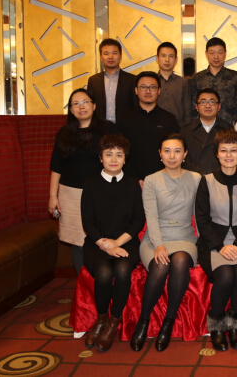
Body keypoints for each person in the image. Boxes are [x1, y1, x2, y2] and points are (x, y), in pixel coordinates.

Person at [130, 133, 201, 352]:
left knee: (180, 261)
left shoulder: (196, 178)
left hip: (184, 237)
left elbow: (199, 214)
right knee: (161, 265)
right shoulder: (151, 180)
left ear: (185, 154)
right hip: (155, 237)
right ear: (160, 154)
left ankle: (168, 322)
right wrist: (158, 244)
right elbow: (150, 217)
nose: (172, 156)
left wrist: (201, 242)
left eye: (177, 151)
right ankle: (143, 320)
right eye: (167, 151)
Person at [195, 130, 237, 352]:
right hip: (213, 241)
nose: (229, 155)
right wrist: (220, 246)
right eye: (224, 150)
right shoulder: (207, 181)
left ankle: (234, 326)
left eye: (234, 150)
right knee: (224, 276)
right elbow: (202, 219)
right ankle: (216, 326)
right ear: (217, 154)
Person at [81, 134, 145, 352]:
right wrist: (106, 245)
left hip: (126, 242)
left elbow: (138, 220)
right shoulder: (90, 184)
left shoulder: (133, 185)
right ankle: (101, 319)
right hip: (96, 244)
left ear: (125, 159)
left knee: (123, 269)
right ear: (101, 158)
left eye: (119, 155)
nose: (114, 159)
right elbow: (88, 222)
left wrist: (117, 242)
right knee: (104, 272)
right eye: (109, 154)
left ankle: (113, 323)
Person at [49, 88, 119, 274]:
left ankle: (103, 281)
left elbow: (119, 160)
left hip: (102, 192)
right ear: (71, 109)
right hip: (70, 194)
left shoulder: (108, 129)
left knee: (102, 238)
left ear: (94, 105)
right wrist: (53, 196)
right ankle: (84, 282)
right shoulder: (64, 133)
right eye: (76, 104)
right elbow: (56, 166)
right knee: (77, 241)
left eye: (85, 102)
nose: (81, 107)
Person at [120, 71, 180, 186]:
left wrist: (160, 177)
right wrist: (134, 178)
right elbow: (119, 150)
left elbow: (176, 151)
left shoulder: (169, 119)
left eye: (152, 87)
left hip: (163, 181)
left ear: (159, 91)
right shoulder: (124, 119)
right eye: (143, 87)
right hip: (130, 181)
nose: (148, 91)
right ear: (136, 90)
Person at [191, 37, 237, 125]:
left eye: (220, 52)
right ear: (206, 54)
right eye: (212, 53)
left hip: (228, 126)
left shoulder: (234, 76)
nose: (216, 57)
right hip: (204, 126)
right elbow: (193, 104)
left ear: (225, 53)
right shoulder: (198, 78)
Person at [180, 88, 233, 175]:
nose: (208, 105)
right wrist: (199, 173)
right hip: (194, 177)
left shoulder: (228, 129)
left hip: (221, 177)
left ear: (219, 106)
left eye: (212, 102)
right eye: (203, 102)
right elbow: (183, 157)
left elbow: (232, 155)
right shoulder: (186, 130)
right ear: (196, 107)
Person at [87, 38, 136, 124]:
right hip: (100, 127)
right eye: (106, 53)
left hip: (124, 127)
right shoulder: (93, 80)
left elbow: (136, 106)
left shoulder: (132, 80)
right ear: (101, 57)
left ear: (120, 56)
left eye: (114, 53)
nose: (110, 57)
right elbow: (89, 105)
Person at [156, 42, 192, 127]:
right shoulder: (151, 82)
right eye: (163, 56)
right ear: (157, 58)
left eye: (171, 56)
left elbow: (188, 111)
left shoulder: (183, 82)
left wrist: (187, 130)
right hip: (155, 126)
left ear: (176, 60)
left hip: (178, 127)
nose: (167, 60)